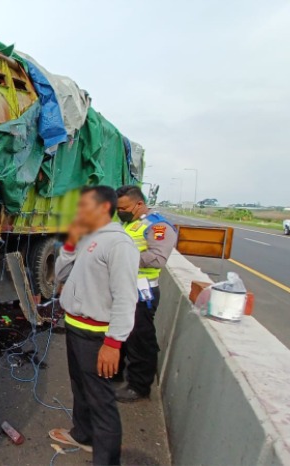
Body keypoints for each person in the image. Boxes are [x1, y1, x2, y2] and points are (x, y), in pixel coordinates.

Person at [49, 186, 139, 466]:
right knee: (80, 388)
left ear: (102, 208)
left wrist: (113, 344)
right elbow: (59, 275)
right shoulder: (89, 237)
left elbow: (126, 297)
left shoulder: (119, 244)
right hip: (75, 326)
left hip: (97, 336)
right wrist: (70, 243)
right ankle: (83, 434)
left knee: (101, 402)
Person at [113, 185, 177, 402]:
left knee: (140, 338)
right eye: (118, 207)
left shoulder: (157, 226)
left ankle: (139, 386)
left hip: (142, 291)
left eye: (124, 207)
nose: (120, 210)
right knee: (120, 333)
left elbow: (158, 258)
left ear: (139, 204)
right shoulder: (128, 223)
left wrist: (123, 259)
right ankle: (115, 373)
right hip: (123, 288)